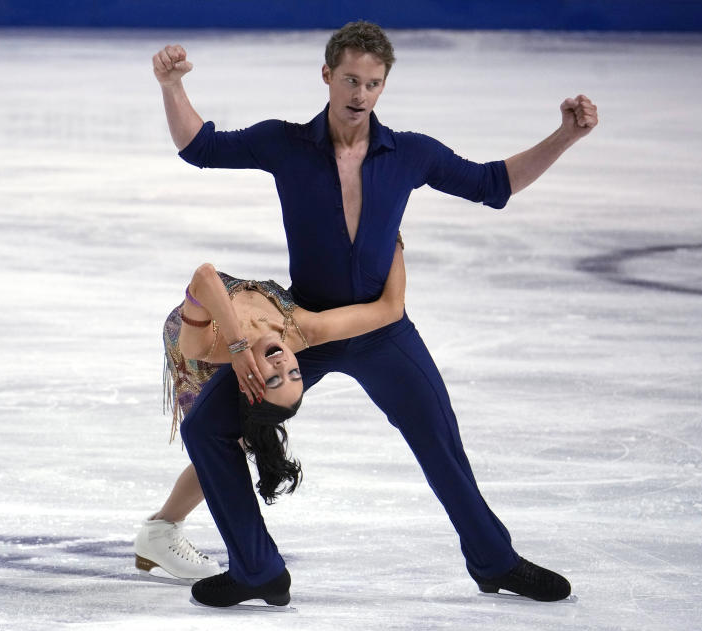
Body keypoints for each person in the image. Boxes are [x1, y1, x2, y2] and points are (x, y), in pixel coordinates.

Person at [152, 21, 598, 607]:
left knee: (438, 437)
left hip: (384, 334)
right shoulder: (285, 143)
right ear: (327, 76)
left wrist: (564, 135)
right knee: (207, 427)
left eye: (373, 83)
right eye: (350, 80)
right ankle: (257, 569)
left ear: (384, 86)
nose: (360, 94)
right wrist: (170, 85)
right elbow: (200, 147)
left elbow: (494, 184)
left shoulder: (408, 153)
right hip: (306, 327)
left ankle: (494, 560)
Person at [134, 243, 406, 580]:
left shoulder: (203, 345)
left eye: (274, 378)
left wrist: (235, 345)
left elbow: (204, 278)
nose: (282, 364)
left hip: (191, 352)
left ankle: (159, 532)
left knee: (220, 448)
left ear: (250, 384)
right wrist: (391, 236)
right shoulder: (303, 330)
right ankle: (161, 531)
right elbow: (390, 309)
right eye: (293, 373)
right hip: (235, 349)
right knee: (232, 444)